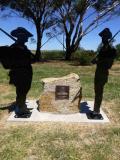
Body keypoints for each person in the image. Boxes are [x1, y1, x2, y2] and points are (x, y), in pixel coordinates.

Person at [87, 28, 117, 120]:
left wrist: (98, 61)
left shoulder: (111, 48)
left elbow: (109, 63)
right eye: (102, 37)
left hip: (103, 72)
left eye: (104, 37)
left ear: (107, 37)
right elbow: (100, 58)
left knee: (99, 92)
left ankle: (96, 111)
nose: (102, 39)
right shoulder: (104, 47)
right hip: (98, 71)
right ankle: (95, 110)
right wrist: (95, 60)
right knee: (97, 91)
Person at [8, 27, 35, 118]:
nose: (27, 38)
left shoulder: (23, 46)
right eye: (26, 36)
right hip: (20, 73)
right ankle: (21, 109)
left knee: (24, 90)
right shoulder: (14, 47)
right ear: (21, 36)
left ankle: (21, 104)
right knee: (21, 91)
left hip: (26, 72)